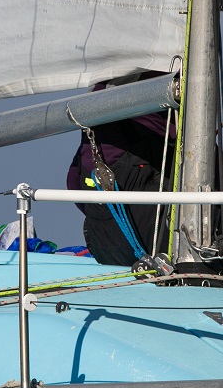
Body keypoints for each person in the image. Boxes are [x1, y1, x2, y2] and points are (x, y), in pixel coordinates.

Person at [67, 72, 176, 266]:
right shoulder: (152, 113)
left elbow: (73, 184)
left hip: (106, 249)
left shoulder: (92, 126)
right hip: (157, 245)